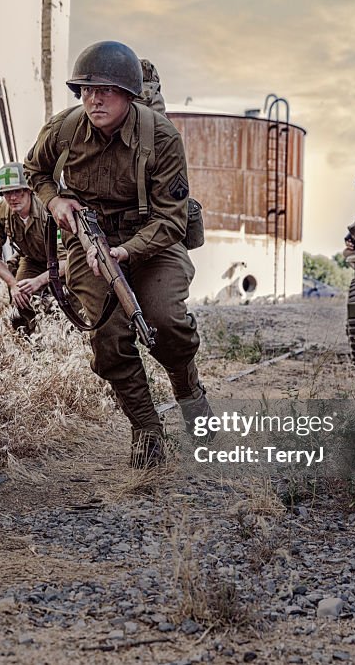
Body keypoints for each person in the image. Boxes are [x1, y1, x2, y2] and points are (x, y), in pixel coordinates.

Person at [24, 40, 213, 469]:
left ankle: (189, 395)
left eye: (105, 90)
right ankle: (145, 428)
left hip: (150, 240)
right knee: (109, 341)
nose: (94, 99)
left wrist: (125, 252)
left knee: (166, 323)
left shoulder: (161, 137)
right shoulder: (64, 129)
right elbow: (35, 170)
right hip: (89, 241)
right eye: (86, 90)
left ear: (129, 94)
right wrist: (55, 202)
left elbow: (171, 220)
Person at [0, 162, 55, 333]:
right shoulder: (0, 211)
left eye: (17, 191)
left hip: (64, 262)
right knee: (20, 299)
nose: (12, 198)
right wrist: (13, 283)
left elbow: (67, 259)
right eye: (7, 193)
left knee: (75, 305)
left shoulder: (48, 209)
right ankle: (29, 345)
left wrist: (39, 281)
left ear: (29, 190)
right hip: (32, 259)